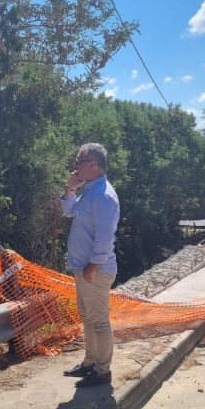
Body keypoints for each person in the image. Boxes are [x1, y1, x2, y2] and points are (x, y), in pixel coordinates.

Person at [60, 143, 120, 388]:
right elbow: (68, 211)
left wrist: (92, 268)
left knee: (99, 321)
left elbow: (104, 238)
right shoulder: (90, 191)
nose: (75, 167)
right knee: (88, 318)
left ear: (94, 165)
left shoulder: (104, 195)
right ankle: (90, 363)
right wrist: (69, 189)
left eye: (79, 162)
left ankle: (102, 371)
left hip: (95, 271)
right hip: (85, 269)